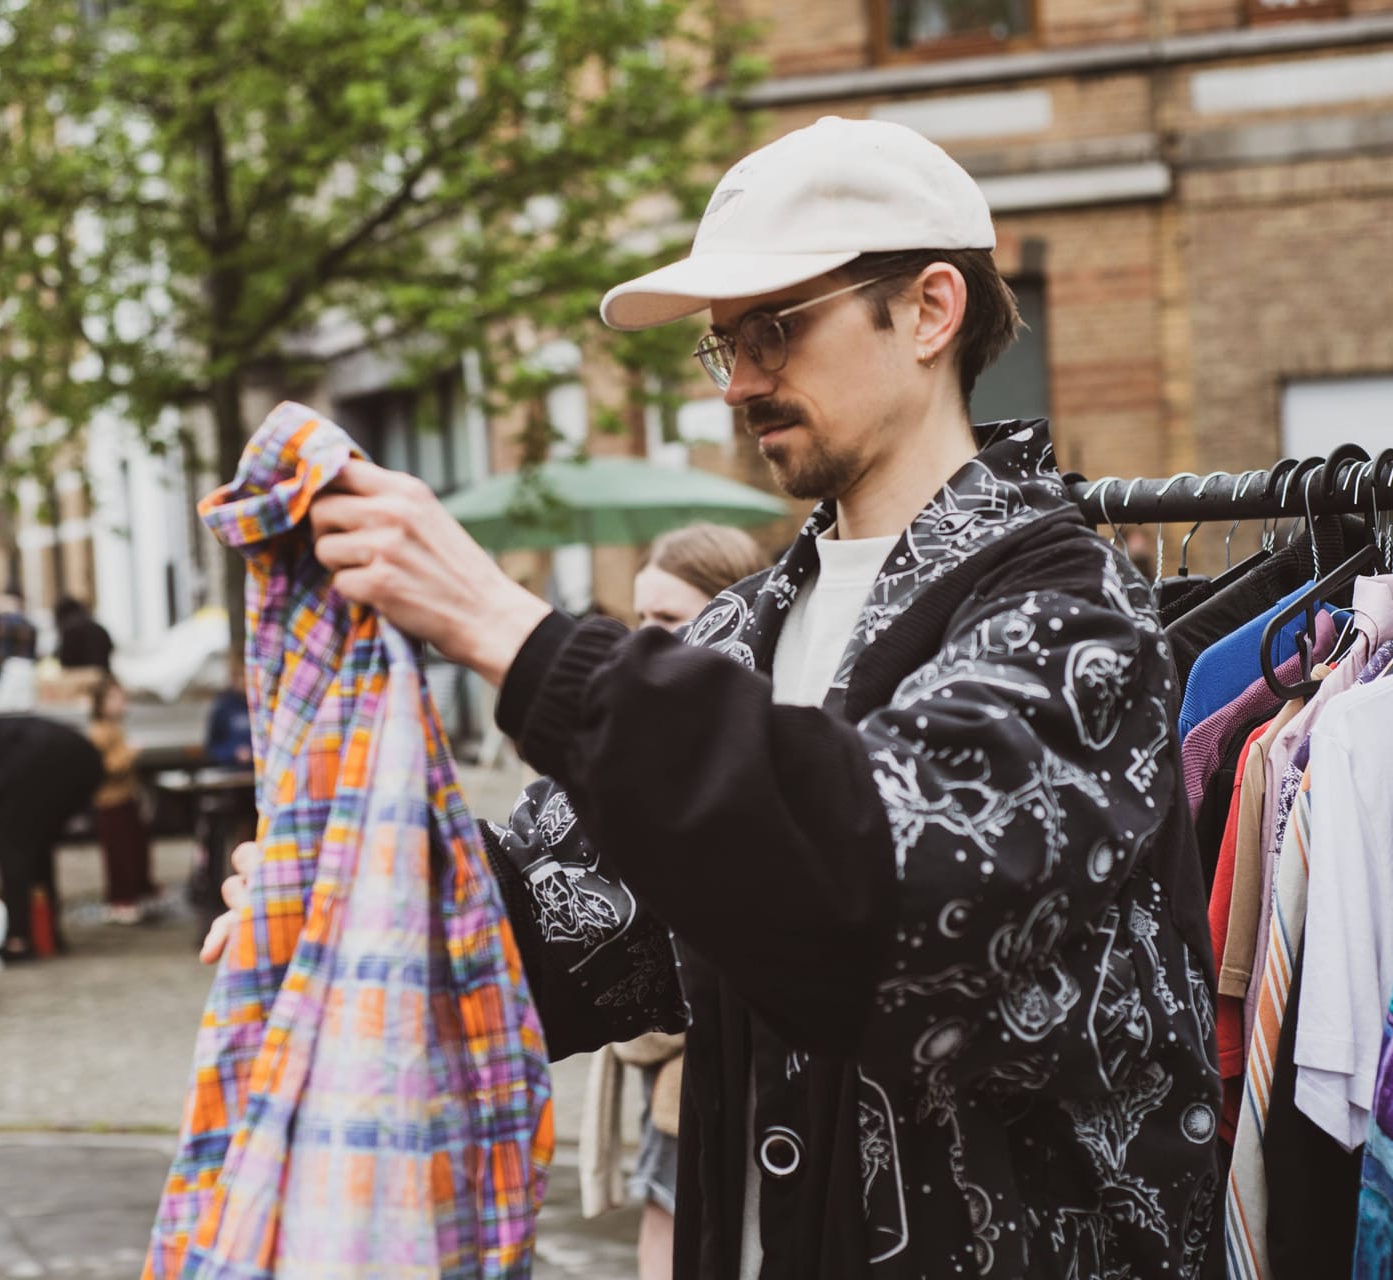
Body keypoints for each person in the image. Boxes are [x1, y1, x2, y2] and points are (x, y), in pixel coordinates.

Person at [259, 116, 1221, 1276]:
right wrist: (345, 892)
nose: (743, 382)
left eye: (776, 327)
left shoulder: (1077, 611)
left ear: (927, 310)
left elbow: (888, 882)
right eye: (726, 346)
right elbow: (567, 931)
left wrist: (514, 634)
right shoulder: (742, 627)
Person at [614, 524, 774, 1280]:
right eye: (638, 619)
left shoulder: (761, 737)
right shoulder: (656, 726)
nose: (645, 640)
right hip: (668, 1054)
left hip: (720, 1050)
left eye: (668, 620)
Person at [0, 714, 104, 959]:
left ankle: (19, 938)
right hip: (77, 762)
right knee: (37, 848)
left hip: (50, 765)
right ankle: (48, 933)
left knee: (12, 850)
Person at [87, 676, 154, 924]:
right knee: (120, 854)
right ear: (101, 703)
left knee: (135, 848)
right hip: (110, 801)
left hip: (126, 797)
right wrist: (129, 753)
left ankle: (137, 893)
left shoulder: (115, 728)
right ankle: (121, 901)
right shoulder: (100, 731)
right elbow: (108, 767)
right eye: (117, 699)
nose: (123, 704)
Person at [202, 659, 254, 767]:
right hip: (232, 769)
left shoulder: (260, 705)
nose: (247, 681)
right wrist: (233, 753)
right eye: (243, 677)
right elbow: (213, 746)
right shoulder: (224, 707)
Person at [54, 596, 116, 672]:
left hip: (80, 678)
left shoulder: (69, 631)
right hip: (103, 675)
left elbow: (65, 665)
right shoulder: (99, 628)